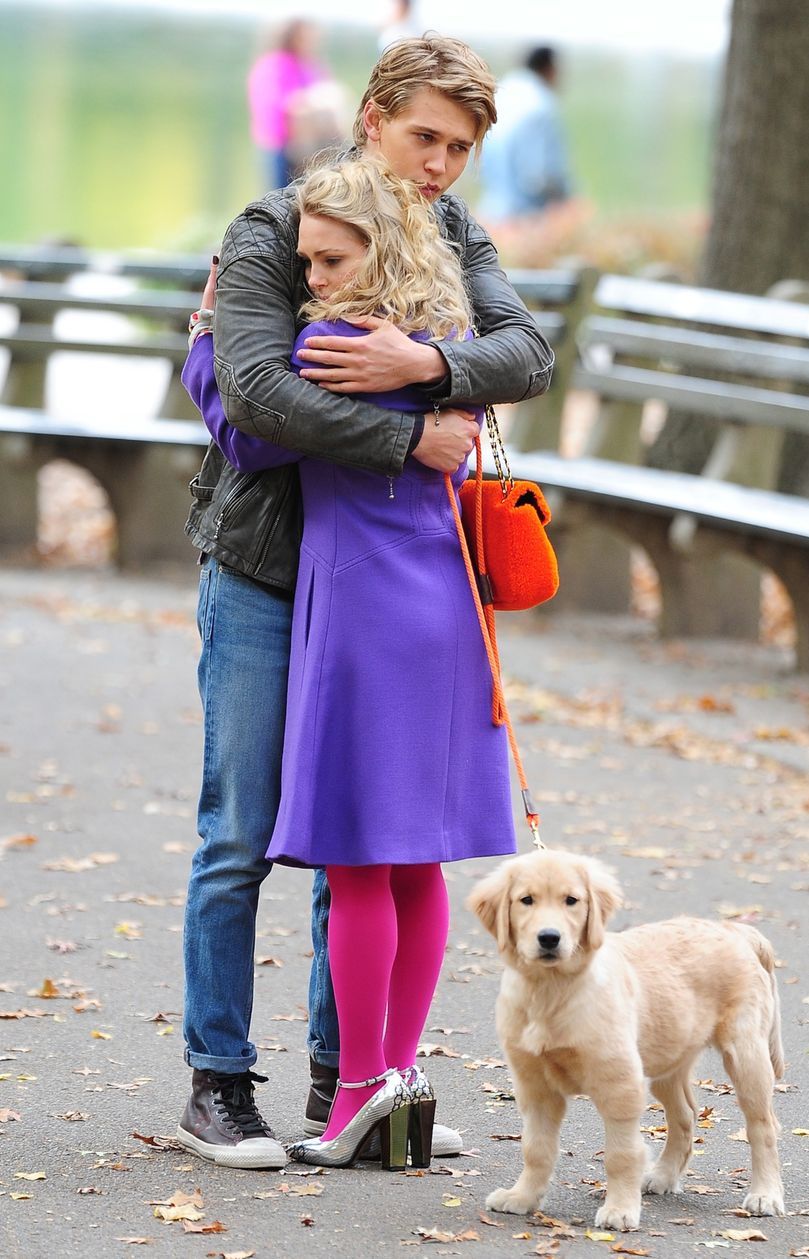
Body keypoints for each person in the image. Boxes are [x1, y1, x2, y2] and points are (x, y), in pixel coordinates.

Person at [177, 34, 554, 1171]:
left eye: (460, 146)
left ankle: (354, 1086)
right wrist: (414, 433)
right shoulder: (273, 229)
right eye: (424, 135)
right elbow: (252, 393)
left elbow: (527, 349)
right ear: (374, 115)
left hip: (387, 581)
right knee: (242, 832)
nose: (439, 164)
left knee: (373, 839)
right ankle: (219, 1082)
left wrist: (429, 367)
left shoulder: (451, 234)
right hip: (267, 571)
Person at [478, 46, 572, 223]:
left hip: (492, 210)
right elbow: (539, 174)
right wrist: (567, 199)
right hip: (524, 217)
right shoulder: (541, 104)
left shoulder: (502, 93)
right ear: (550, 69)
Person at [247, 18, 333, 190]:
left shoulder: (310, 65)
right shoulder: (274, 64)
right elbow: (276, 101)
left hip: (307, 146)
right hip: (279, 142)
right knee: (278, 196)